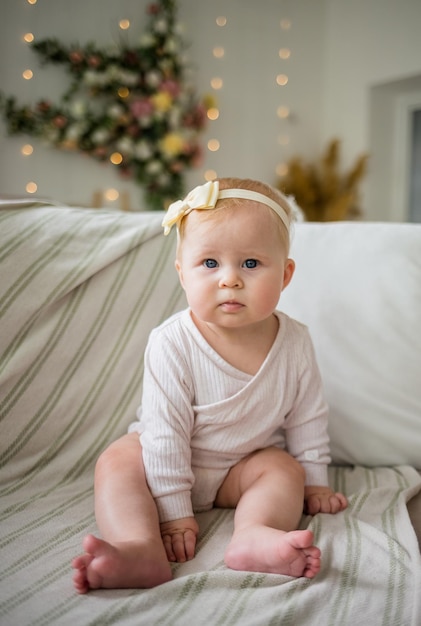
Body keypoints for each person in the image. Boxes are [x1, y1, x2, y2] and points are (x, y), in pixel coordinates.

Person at [72, 177, 348, 594]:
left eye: (251, 264)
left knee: (281, 468)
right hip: (163, 460)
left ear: (286, 274)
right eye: (210, 264)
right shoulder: (171, 342)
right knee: (116, 462)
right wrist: (173, 512)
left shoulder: (294, 342)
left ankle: (255, 533)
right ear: (182, 273)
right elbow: (165, 434)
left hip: (239, 468)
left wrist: (314, 480)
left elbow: (308, 415)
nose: (230, 280)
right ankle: (140, 547)